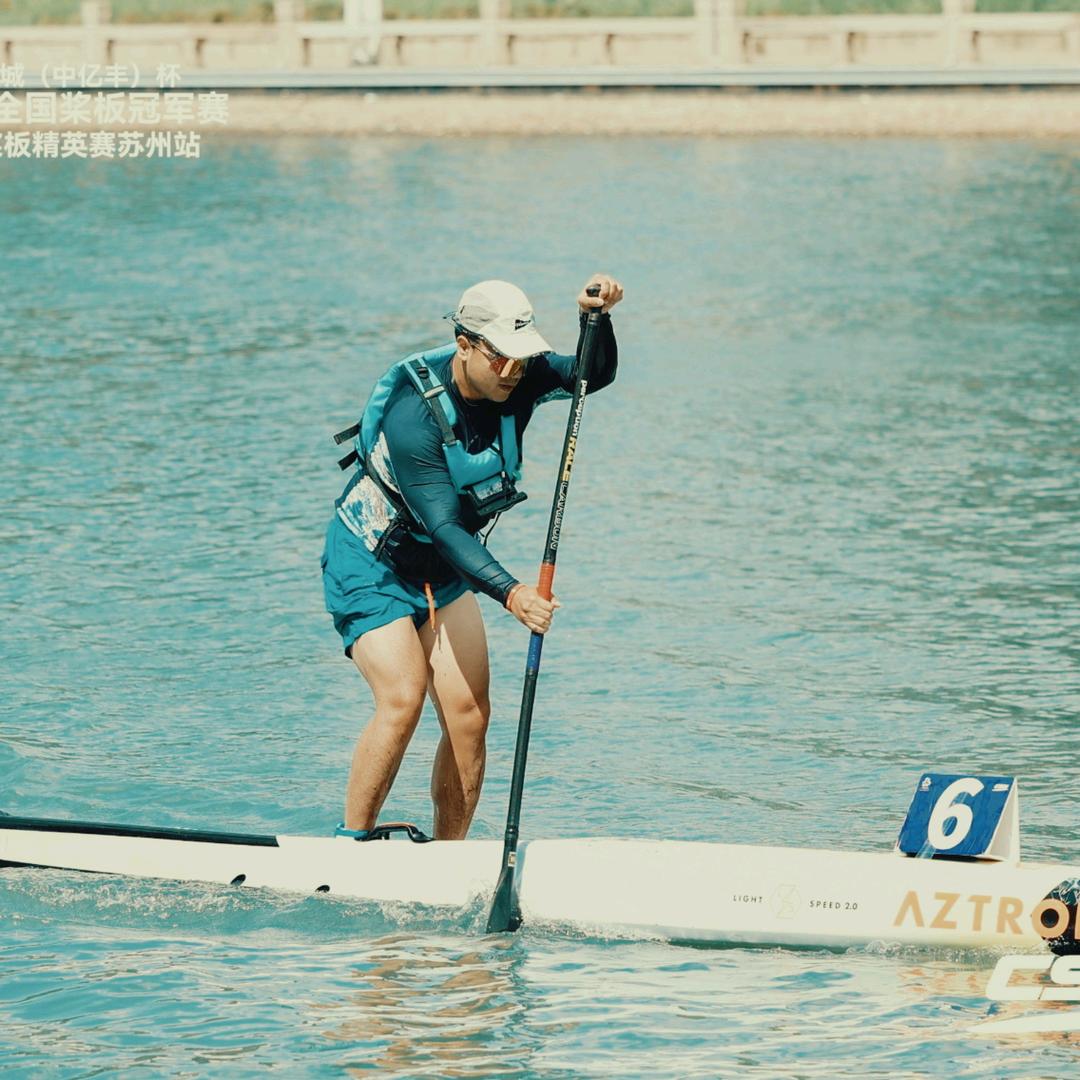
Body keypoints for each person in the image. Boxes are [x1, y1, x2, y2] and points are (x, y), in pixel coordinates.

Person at [322, 274, 623, 840]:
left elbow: (591, 376)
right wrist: (513, 594)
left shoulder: (521, 378)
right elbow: (443, 526)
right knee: (403, 698)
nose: (515, 371)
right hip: (372, 563)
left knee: (469, 717)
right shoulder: (413, 418)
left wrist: (596, 320)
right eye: (502, 359)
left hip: (446, 572)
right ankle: (350, 847)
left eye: (521, 358)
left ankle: (448, 855)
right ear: (466, 344)